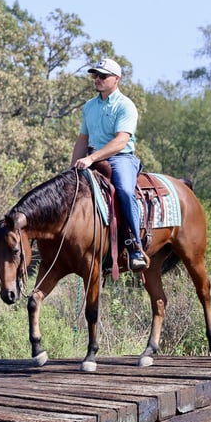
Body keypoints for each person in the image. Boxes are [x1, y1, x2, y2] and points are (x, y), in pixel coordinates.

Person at [71, 58, 149, 271]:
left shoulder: (126, 105)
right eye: (95, 75)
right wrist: (71, 170)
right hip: (92, 156)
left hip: (120, 157)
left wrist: (91, 159)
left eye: (103, 76)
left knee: (124, 191)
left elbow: (120, 141)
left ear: (117, 79)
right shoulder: (89, 106)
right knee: (68, 189)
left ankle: (135, 247)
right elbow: (82, 139)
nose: (98, 79)